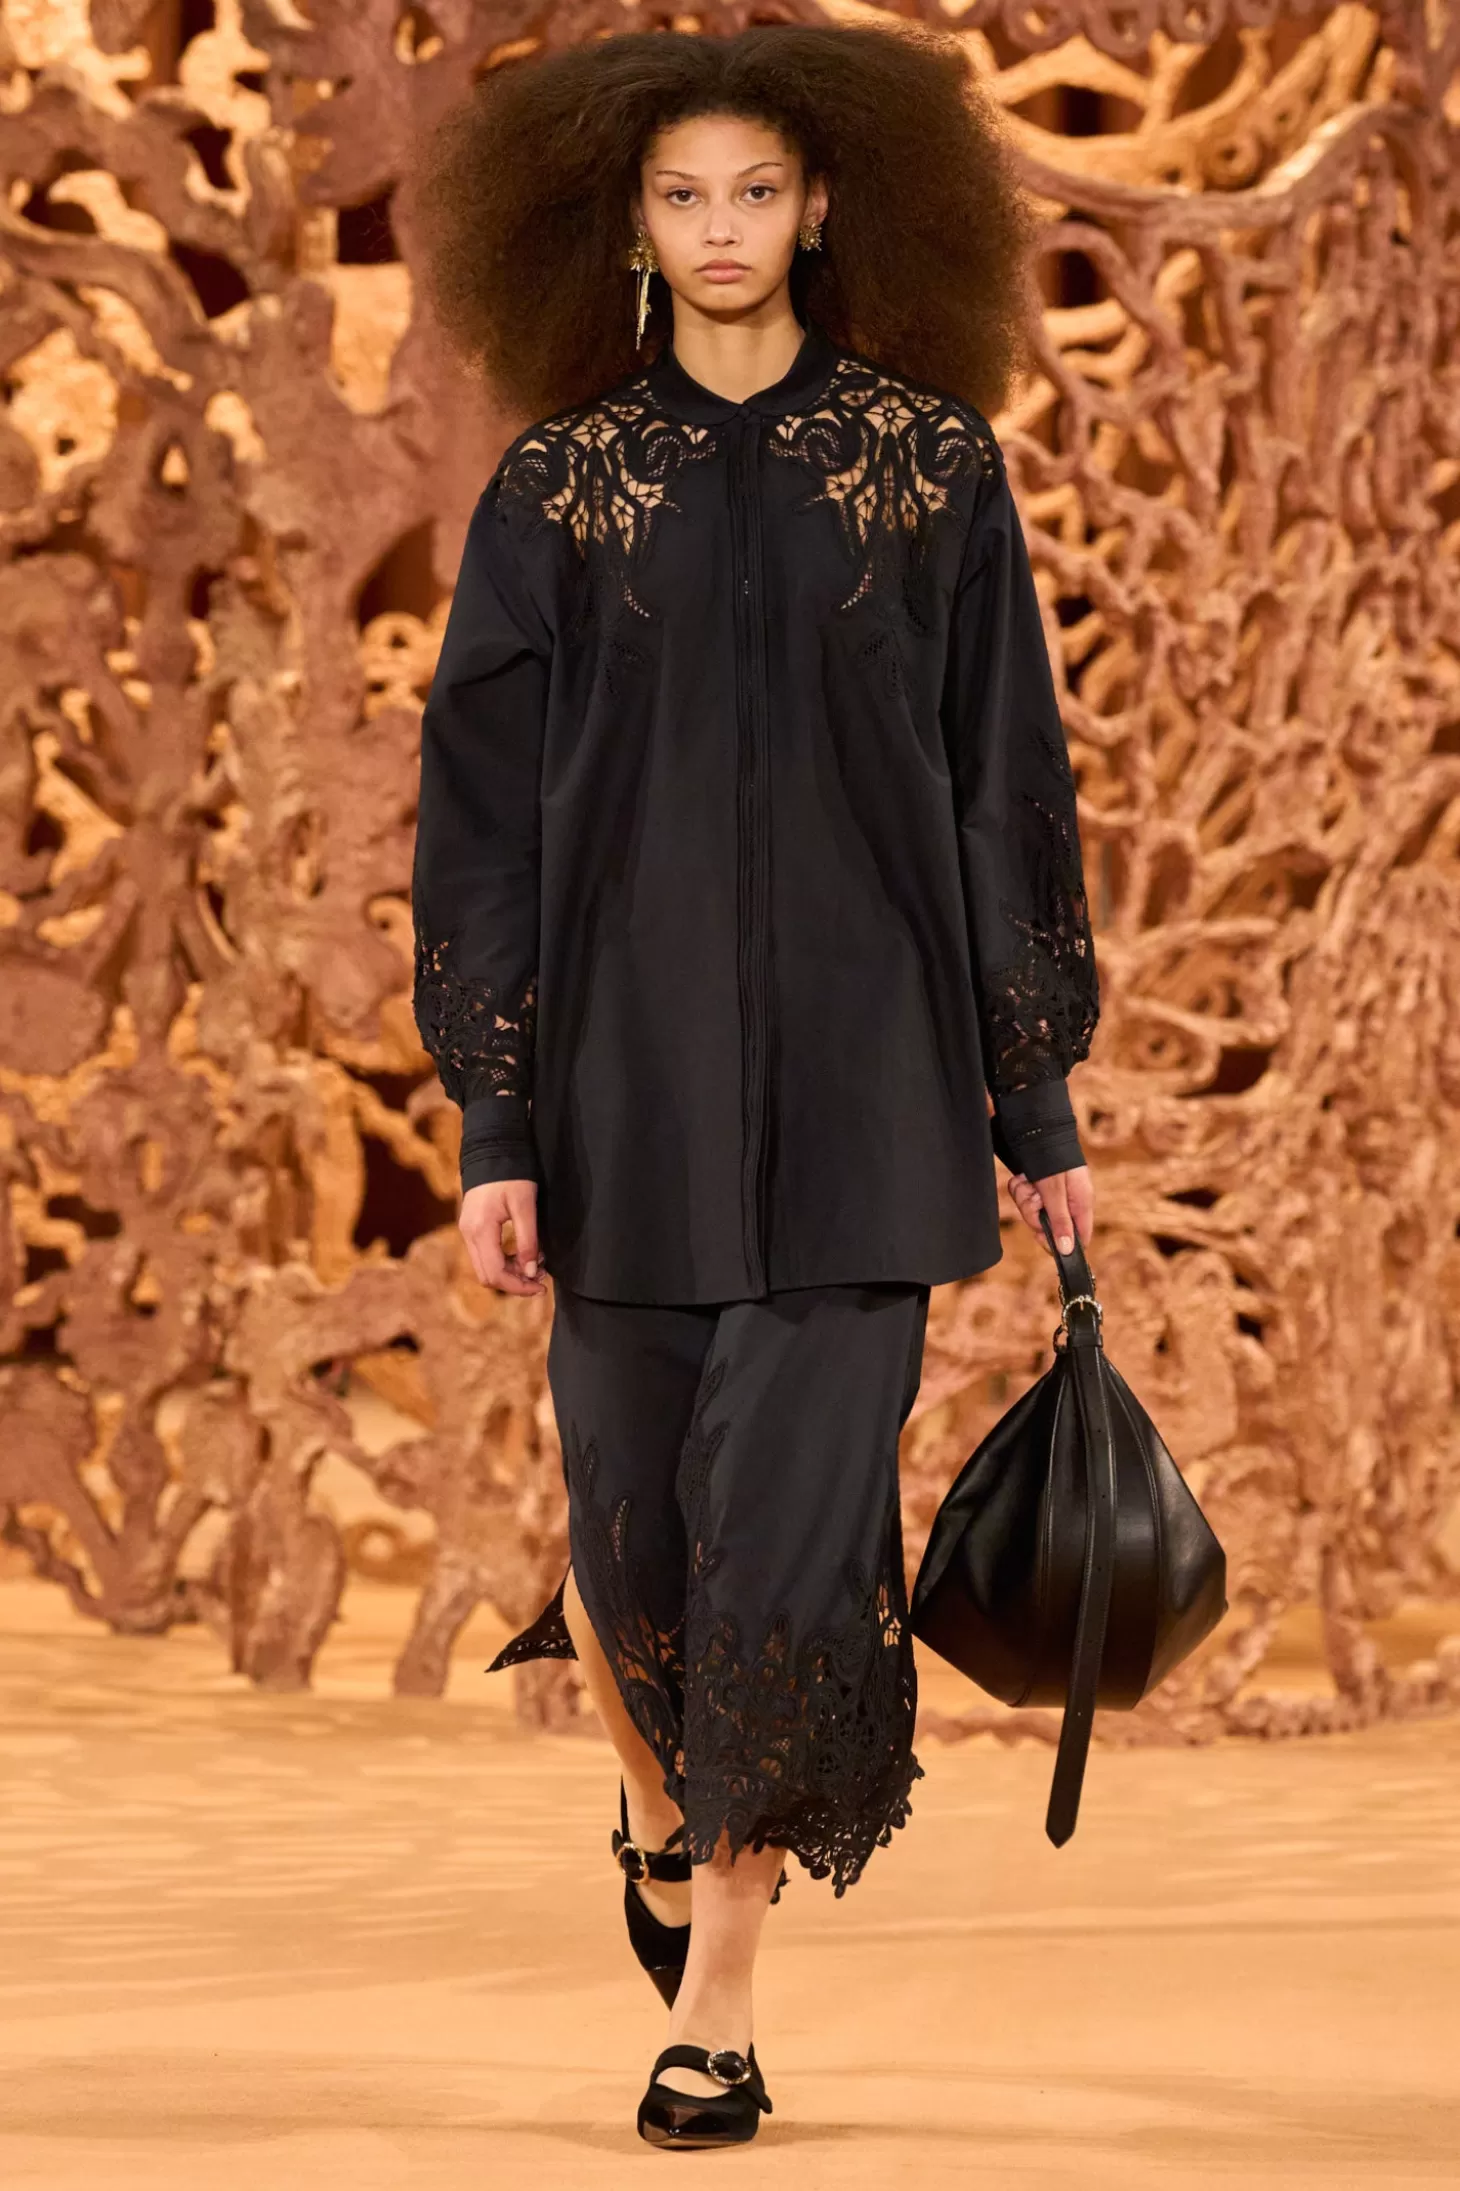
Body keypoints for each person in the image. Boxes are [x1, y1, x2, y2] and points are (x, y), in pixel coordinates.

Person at [407, 21, 1099, 2149]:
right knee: (634, 1551)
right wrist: (496, 1124)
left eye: (759, 192)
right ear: (625, 220)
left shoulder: (928, 465)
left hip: (873, 1097)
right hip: (618, 1105)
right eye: (684, 196)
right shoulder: (558, 487)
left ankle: (716, 2000)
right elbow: (482, 829)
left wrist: (1038, 1109)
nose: (723, 230)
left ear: (825, 208)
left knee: (789, 1557)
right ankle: (652, 1802)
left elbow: (1004, 792)